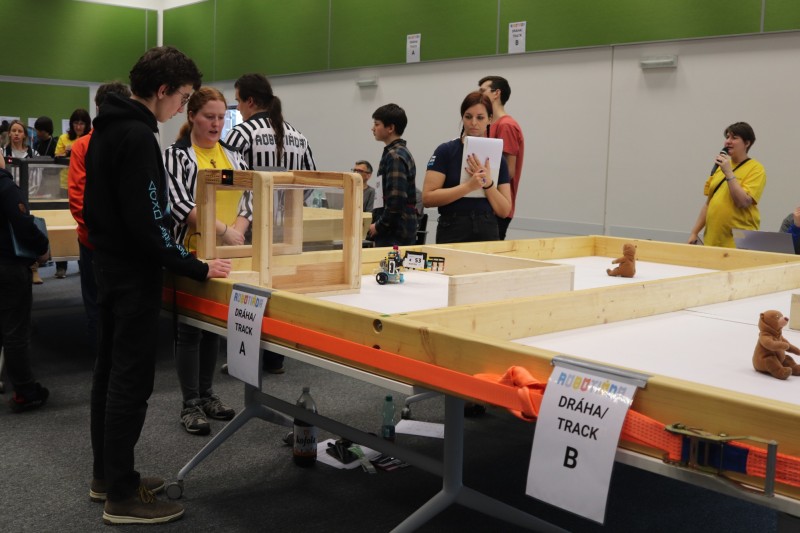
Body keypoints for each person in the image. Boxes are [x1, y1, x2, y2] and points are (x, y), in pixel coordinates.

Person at [83, 45, 231, 525]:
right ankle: (122, 496)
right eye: (182, 97)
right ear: (163, 90)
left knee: (108, 374)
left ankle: (109, 475)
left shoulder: (106, 127)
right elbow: (151, 220)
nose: (179, 108)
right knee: (130, 381)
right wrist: (195, 266)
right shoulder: (138, 135)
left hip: (108, 266)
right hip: (133, 275)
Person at [165, 87, 246, 435]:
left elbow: (249, 198)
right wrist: (224, 230)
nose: (216, 124)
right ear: (192, 117)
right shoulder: (177, 156)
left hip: (227, 252)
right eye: (208, 117)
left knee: (213, 326)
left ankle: (208, 393)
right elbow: (180, 204)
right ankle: (190, 403)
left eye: (221, 117)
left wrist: (237, 231)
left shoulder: (234, 156)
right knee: (189, 330)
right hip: (192, 252)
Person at [225, 72, 316, 374]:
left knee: (248, 292)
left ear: (250, 101)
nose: (238, 108)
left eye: (238, 101)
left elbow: (228, 181)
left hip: (248, 228)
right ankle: (276, 358)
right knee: (279, 292)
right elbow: (311, 181)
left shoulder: (240, 134)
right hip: (287, 229)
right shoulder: (298, 136)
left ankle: (245, 356)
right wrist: (288, 209)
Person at [68, 82, 132, 361]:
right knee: (100, 306)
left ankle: (109, 364)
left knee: (114, 306)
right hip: (98, 242)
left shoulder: (132, 140)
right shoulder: (84, 145)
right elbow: (78, 198)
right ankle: (103, 363)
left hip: (117, 242)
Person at [423, 91, 512, 244]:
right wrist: (468, 187)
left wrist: (488, 184)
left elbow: (504, 211)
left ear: (490, 119)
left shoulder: (497, 156)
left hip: (487, 227)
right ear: (462, 117)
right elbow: (427, 198)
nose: (473, 123)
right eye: (468, 117)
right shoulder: (446, 151)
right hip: (452, 226)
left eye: (480, 117)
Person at [0, 155, 50, 412]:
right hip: (9, 266)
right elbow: (23, 224)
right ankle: (25, 392)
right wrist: (42, 247)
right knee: (15, 331)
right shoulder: (6, 187)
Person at [688, 122, 765, 248]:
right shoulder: (721, 167)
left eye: (734, 138)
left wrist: (729, 173)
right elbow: (709, 203)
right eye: (727, 137)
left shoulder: (756, 169)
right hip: (712, 241)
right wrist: (694, 232)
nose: (728, 141)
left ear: (747, 143)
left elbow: (743, 202)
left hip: (738, 243)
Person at [478, 76, 524, 240]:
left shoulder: (506, 126)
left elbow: (508, 171)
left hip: (497, 206)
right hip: (485, 204)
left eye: (483, 90)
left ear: (496, 93)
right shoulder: (490, 125)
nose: (479, 94)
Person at [368, 103, 418, 247]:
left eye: (377, 124)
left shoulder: (395, 156)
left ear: (390, 128)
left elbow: (396, 201)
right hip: (395, 230)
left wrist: (379, 226)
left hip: (394, 233)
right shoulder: (396, 152)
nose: (373, 128)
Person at [3, 120, 43, 284]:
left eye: (20, 131)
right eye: (13, 131)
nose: (16, 134)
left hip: (29, 197)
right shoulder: (2, 152)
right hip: (8, 198)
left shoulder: (34, 153)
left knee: (28, 229)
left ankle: (34, 268)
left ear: (25, 135)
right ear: (9, 133)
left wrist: (25, 195)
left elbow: (38, 177)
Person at [54, 108, 91, 278]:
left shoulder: (91, 138)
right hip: (64, 183)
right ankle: (61, 266)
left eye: (82, 123)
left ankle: (81, 262)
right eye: (76, 123)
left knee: (80, 226)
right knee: (62, 225)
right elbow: (57, 155)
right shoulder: (64, 138)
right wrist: (66, 151)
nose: (78, 126)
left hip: (85, 184)